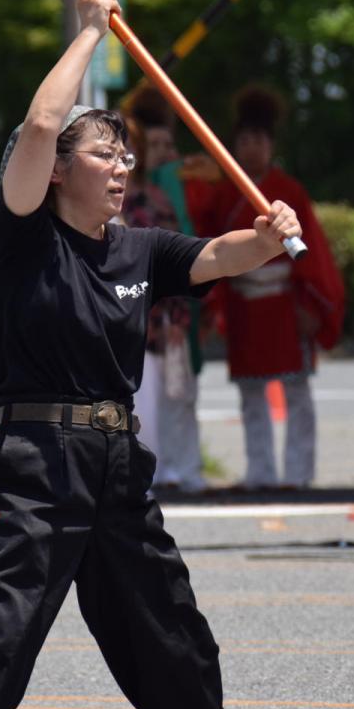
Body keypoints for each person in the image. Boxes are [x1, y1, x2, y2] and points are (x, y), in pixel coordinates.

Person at [0, 0, 298, 709]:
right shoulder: (24, 236)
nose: (121, 166)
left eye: (124, 154)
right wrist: (89, 33)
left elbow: (217, 256)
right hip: (39, 464)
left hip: (115, 466)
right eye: (104, 152)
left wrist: (270, 236)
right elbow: (42, 121)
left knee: (170, 627)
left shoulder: (138, 246)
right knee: (0, 639)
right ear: (58, 172)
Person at [197, 85, 345, 490]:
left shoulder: (290, 190)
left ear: (271, 144)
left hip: (284, 304)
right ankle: (260, 471)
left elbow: (311, 253)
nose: (250, 147)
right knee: (250, 394)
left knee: (296, 390)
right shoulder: (224, 193)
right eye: (243, 140)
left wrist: (310, 307)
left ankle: (298, 473)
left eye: (258, 139)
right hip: (245, 304)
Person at [123, 87, 208, 492]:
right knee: (143, 399)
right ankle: (149, 470)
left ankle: (183, 468)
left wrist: (178, 313)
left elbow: (178, 255)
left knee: (177, 392)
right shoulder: (118, 201)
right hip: (131, 311)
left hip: (166, 308)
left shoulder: (168, 190)